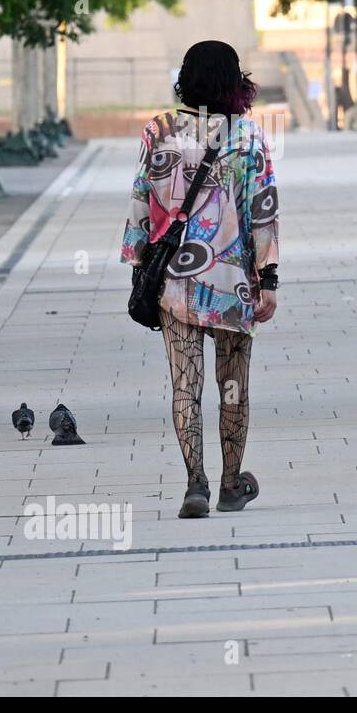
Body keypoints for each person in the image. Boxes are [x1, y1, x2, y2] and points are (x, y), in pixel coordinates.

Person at [121, 40, 280, 519]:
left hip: (175, 282)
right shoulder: (248, 136)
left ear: (184, 79)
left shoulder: (159, 130)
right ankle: (232, 484)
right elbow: (264, 211)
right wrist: (268, 278)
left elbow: (138, 203)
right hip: (233, 282)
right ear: (234, 82)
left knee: (184, 385)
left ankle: (196, 484)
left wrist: (137, 265)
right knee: (233, 386)